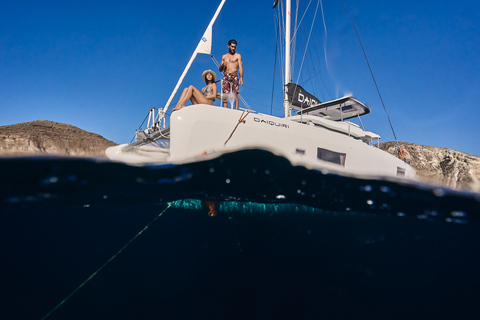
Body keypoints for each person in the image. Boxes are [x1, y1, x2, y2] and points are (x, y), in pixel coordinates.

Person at [219, 39, 243, 109]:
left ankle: (236, 110)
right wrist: (223, 65)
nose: (233, 48)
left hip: (234, 75)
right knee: (225, 95)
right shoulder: (224, 56)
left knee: (235, 94)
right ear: (228, 46)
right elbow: (220, 69)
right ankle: (225, 111)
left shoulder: (238, 56)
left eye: (234, 47)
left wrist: (241, 78)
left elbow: (240, 67)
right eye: (232, 46)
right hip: (225, 76)